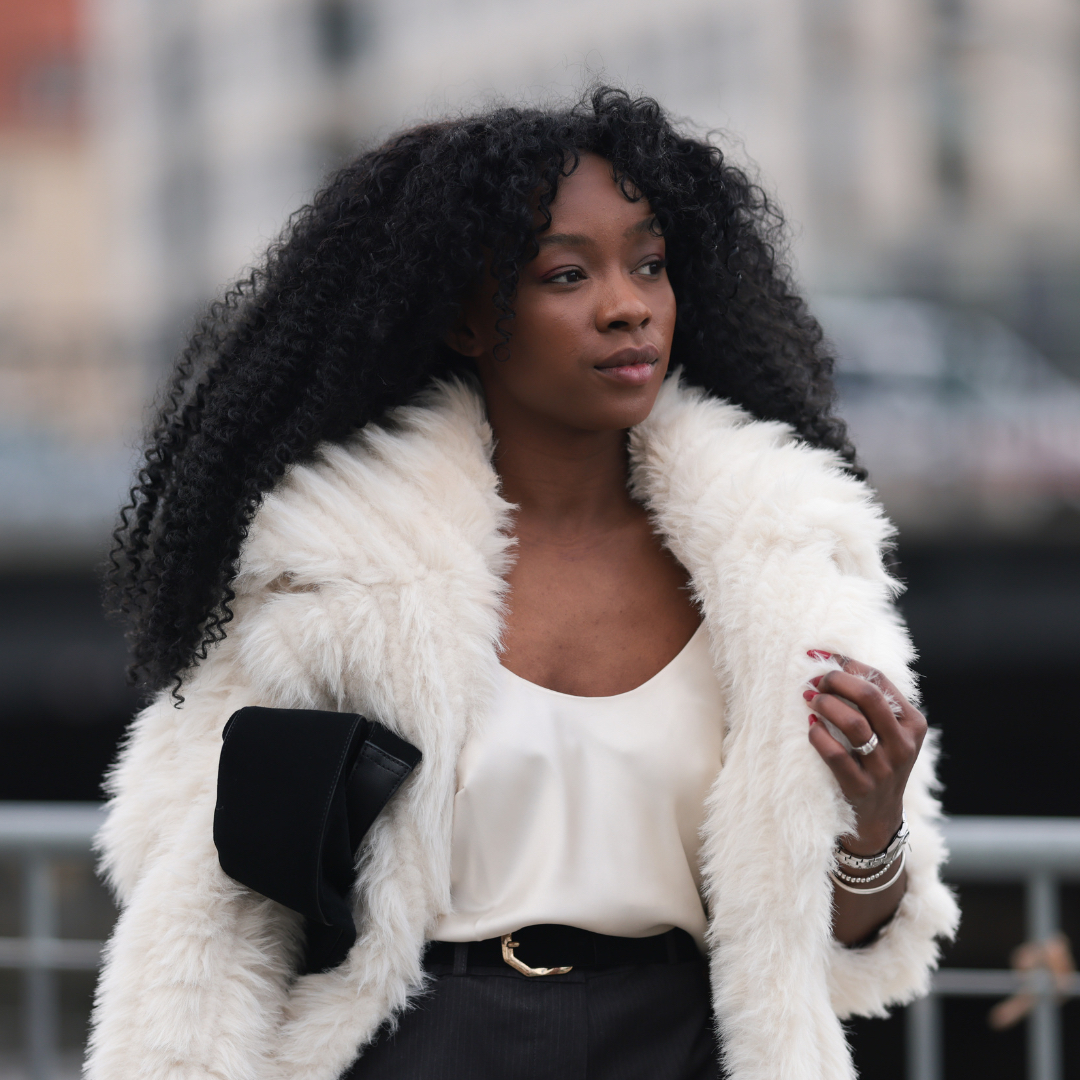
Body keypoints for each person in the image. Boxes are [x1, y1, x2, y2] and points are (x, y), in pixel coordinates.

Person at [88, 88, 958, 1080]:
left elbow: (848, 951)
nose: (627, 304)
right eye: (567, 274)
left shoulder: (786, 569)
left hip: (691, 1046)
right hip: (421, 1043)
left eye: (649, 264)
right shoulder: (337, 576)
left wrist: (876, 822)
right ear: (468, 317)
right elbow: (211, 914)